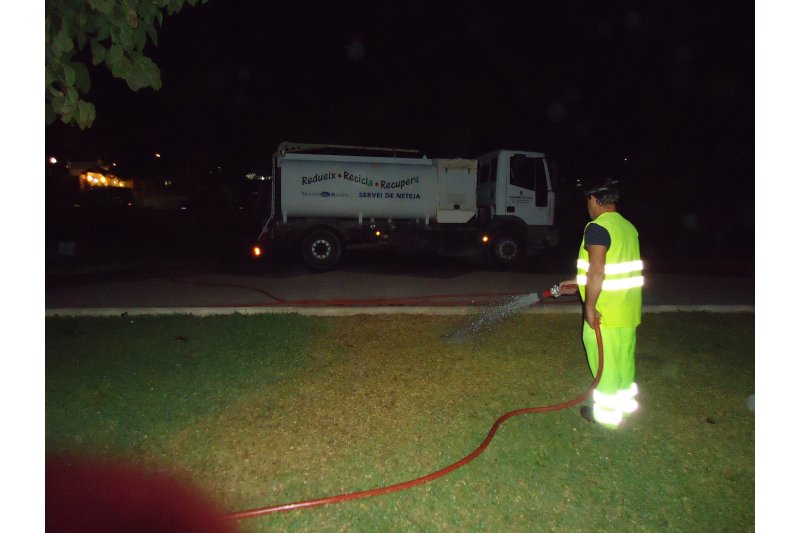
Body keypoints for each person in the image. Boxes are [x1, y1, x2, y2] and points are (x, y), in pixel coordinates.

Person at [559, 177, 643, 428]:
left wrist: (589, 306)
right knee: (624, 361)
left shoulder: (597, 227)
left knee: (605, 366)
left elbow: (598, 270)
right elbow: (616, 266)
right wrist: (578, 283)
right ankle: (625, 408)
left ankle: (607, 417)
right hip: (628, 311)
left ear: (594, 199)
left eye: (588, 200)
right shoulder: (628, 227)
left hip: (604, 313)